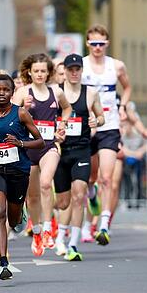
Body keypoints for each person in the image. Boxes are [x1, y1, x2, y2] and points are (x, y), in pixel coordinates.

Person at [0, 74, 44, 280]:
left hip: (19, 171)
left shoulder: (21, 114)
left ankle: (20, 211)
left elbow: (39, 141)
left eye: (6, 90)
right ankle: (4, 261)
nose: (1, 93)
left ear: (12, 93)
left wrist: (20, 143)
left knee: (13, 220)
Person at [12, 53, 72, 256]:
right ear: (29, 72)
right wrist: (24, 108)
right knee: (33, 195)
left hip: (49, 146)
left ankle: (47, 228)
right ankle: (36, 231)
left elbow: (67, 109)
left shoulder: (56, 91)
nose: (39, 74)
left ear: (49, 73)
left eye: (43, 71)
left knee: (46, 183)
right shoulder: (22, 92)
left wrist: (62, 124)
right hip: (27, 148)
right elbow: (10, 116)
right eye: (36, 71)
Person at [81, 24, 132, 246]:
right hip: (87, 126)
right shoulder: (80, 66)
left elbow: (127, 87)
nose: (98, 48)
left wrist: (124, 106)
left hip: (109, 126)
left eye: (101, 44)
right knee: (90, 179)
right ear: (87, 44)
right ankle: (92, 196)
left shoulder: (116, 66)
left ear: (107, 44)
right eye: (94, 44)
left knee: (107, 178)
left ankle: (103, 224)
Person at [53, 54, 104, 261]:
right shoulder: (56, 93)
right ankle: (60, 234)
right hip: (60, 150)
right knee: (63, 202)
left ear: (82, 70)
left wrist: (97, 122)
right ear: (64, 70)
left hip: (82, 149)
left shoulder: (90, 93)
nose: (74, 73)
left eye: (77, 69)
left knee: (78, 194)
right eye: (70, 69)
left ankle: (73, 243)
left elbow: (101, 116)